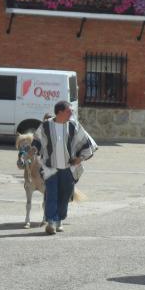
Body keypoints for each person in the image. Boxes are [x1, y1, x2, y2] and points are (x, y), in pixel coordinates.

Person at [32, 101, 98, 235]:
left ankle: (59, 220)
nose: (71, 113)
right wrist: (32, 150)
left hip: (68, 168)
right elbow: (37, 141)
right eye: (69, 111)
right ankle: (51, 222)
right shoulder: (45, 126)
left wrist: (80, 158)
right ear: (60, 112)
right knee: (51, 194)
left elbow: (85, 142)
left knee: (65, 195)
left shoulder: (73, 125)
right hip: (50, 168)